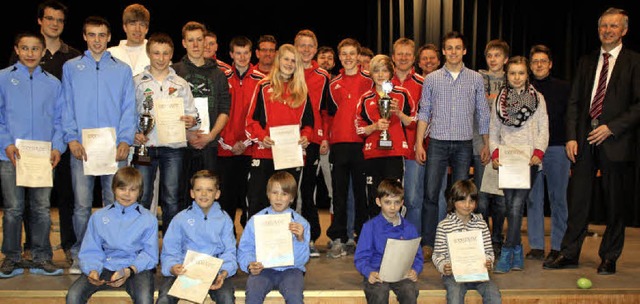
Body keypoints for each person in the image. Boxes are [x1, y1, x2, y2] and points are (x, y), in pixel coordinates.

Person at [544, 7, 640, 275]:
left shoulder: (634, 62)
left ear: (624, 30)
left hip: (616, 143)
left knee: (614, 204)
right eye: (603, 26)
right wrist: (572, 137)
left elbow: (637, 105)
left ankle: (609, 256)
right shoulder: (586, 61)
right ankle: (570, 252)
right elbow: (574, 102)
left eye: (613, 26)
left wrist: (612, 128)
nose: (607, 30)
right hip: (585, 142)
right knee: (578, 201)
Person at [7, 0, 82, 266]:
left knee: (57, 199)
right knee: (20, 204)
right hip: (19, 148)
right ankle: (22, 252)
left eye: (59, 20)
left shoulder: (72, 57)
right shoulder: (13, 67)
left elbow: (68, 107)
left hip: (54, 145)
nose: (54, 24)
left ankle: (58, 250)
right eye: (49, 18)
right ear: (40, 20)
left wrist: (61, 143)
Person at [62, 16, 136, 274]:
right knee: (81, 205)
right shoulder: (71, 68)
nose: (97, 40)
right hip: (81, 148)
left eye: (101, 35)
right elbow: (66, 105)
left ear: (109, 37)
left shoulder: (122, 69)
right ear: (84, 36)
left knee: (113, 203)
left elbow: (129, 108)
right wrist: (71, 137)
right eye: (91, 35)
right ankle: (82, 254)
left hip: (114, 149)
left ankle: (112, 253)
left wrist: (126, 139)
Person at [415, 31, 489, 260]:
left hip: (464, 144)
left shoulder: (476, 78)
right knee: (430, 193)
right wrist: (419, 142)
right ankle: (428, 243)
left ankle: (457, 241)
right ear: (443, 51)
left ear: (464, 51)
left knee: (460, 195)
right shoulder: (432, 79)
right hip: (437, 142)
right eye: (450, 48)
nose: (454, 52)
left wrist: (487, 144)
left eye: (458, 47)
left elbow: (483, 113)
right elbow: (424, 111)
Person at [0, 31, 65, 278]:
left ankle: (42, 256)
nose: (30, 54)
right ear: (16, 50)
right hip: (10, 155)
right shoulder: (3, 79)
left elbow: (60, 120)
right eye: (25, 48)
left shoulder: (53, 83)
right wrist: (6, 143)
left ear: (42, 52)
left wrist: (58, 146)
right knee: (14, 208)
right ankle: (12, 257)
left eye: (35, 49)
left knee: (40, 208)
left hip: (42, 157)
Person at [132, 32, 199, 235]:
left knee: (171, 197)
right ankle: (143, 244)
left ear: (171, 55)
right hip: (145, 147)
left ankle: (170, 247)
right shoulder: (137, 83)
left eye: (165, 54)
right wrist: (134, 133)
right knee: (142, 197)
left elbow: (194, 117)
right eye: (156, 53)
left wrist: (191, 121)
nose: (160, 58)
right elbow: (128, 112)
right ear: (148, 53)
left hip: (173, 149)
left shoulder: (180, 84)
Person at [490, 56, 549, 274]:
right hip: (507, 160)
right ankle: (516, 250)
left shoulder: (538, 98)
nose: (517, 77)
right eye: (513, 73)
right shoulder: (499, 100)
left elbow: (544, 128)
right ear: (507, 75)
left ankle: (507, 251)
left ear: (527, 75)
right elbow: (494, 129)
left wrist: (538, 153)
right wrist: (496, 153)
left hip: (529, 160)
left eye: (521, 73)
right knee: (509, 205)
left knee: (516, 205)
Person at [65, 167, 157, 304]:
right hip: (105, 265)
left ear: (140, 192)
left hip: (135, 269)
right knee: (73, 295)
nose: (127, 194)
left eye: (132, 190)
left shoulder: (148, 219)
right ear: (114, 189)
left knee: (144, 299)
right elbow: (91, 249)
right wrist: (92, 270)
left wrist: (128, 271)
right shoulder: (99, 217)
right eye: (122, 188)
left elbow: (150, 254)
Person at [244, 44, 314, 221]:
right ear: (278, 60)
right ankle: (255, 245)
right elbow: (250, 121)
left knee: (287, 201)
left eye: (293, 60)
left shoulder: (302, 91)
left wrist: (306, 137)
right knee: (258, 200)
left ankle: (285, 243)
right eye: (286, 59)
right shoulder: (263, 85)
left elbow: (309, 125)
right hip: (265, 153)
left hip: (291, 155)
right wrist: (262, 137)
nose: (289, 63)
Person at [173, 21, 231, 211]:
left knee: (209, 195)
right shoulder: (175, 71)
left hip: (209, 143)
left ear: (205, 41)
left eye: (199, 40)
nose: (196, 45)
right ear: (184, 43)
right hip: (181, 143)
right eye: (191, 40)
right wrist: (187, 134)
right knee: (181, 194)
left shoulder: (218, 74)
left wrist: (211, 136)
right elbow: (169, 108)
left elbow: (224, 109)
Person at [324, 38, 373, 258]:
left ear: (358, 55)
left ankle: (362, 236)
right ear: (339, 56)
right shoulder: (333, 84)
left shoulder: (370, 81)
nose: (348, 57)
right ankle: (338, 237)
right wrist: (327, 138)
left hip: (363, 144)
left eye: (352, 53)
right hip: (340, 144)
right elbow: (328, 115)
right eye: (343, 53)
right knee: (340, 194)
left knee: (362, 195)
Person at [157, 170, 236, 304]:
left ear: (217, 194)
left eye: (209, 190)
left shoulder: (224, 220)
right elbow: (169, 251)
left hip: (214, 272)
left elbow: (229, 252)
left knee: (227, 298)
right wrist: (172, 267)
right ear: (192, 193)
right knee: (164, 298)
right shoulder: (180, 219)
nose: (204, 194)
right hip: (184, 271)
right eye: (199, 189)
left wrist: (224, 272)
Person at [525, 44, 570, 263]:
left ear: (550, 64)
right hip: (530, 152)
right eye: (535, 62)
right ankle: (536, 246)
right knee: (533, 199)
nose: (539, 65)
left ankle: (558, 245)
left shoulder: (564, 88)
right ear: (529, 65)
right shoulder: (523, 88)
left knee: (558, 199)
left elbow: (571, 117)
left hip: (557, 148)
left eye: (543, 61)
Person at [237, 171, 310, 304]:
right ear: (268, 194)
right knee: (253, 294)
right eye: (275, 193)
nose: (278, 198)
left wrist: (300, 239)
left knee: (295, 297)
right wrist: (250, 264)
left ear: (292, 198)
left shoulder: (301, 224)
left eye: (284, 194)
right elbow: (245, 248)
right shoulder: (256, 220)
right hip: (263, 269)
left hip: (291, 270)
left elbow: (302, 260)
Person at [355, 54, 413, 220]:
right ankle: (376, 237)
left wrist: (399, 113)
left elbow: (412, 122)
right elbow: (359, 129)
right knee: (374, 197)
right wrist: (375, 127)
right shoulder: (365, 98)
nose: (380, 75)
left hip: (394, 153)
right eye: (376, 71)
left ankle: (394, 235)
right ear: (371, 74)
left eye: (384, 71)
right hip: (373, 153)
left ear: (391, 72)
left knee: (394, 196)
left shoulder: (402, 94)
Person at [217, 36, 265, 231]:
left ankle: (249, 239)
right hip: (224, 148)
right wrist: (226, 143)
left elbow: (262, 117)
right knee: (225, 197)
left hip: (251, 149)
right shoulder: (221, 77)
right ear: (231, 55)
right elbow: (215, 113)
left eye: (246, 53)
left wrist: (246, 143)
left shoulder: (262, 80)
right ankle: (227, 237)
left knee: (251, 197)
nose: (242, 57)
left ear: (251, 53)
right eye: (238, 53)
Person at [354, 178, 423, 304]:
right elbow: (361, 257)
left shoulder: (410, 228)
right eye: (387, 202)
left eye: (396, 202)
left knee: (409, 291)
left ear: (402, 202)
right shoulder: (370, 227)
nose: (392, 207)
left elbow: (417, 256)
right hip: (377, 273)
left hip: (402, 274)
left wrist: (415, 270)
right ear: (378, 202)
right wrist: (368, 272)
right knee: (379, 293)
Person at [433, 179, 502, 304]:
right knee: (455, 295)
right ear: (453, 201)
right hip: (454, 275)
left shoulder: (481, 225)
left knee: (493, 293)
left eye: (471, 201)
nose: (467, 205)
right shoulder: (444, 225)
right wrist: (444, 266)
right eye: (462, 200)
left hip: (478, 274)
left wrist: (488, 262)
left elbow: (488, 251)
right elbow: (438, 254)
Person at [294, 29, 331, 258]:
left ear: (315, 49)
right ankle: (287, 238)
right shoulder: (287, 71)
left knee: (308, 190)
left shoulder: (323, 75)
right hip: (289, 140)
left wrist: (324, 136)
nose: (306, 50)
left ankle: (309, 238)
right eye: (302, 45)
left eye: (310, 46)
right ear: (295, 47)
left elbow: (326, 111)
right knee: (289, 190)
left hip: (313, 141)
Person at [390, 38, 425, 253]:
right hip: (388, 150)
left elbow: (426, 117)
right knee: (389, 197)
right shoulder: (383, 82)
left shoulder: (423, 83)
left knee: (412, 198)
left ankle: (413, 243)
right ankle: (390, 241)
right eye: (399, 54)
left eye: (407, 54)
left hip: (413, 149)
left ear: (414, 58)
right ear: (393, 57)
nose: (403, 58)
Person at [475, 39, 509, 257]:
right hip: (481, 144)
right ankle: (483, 239)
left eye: (498, 55)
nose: (493, 59)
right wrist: (483, 144)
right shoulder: (477, 79)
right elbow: (475, 113)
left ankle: (497, 238)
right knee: (482, 197)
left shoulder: (513, 80)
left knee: (502, 199)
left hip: (506, 146)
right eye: (490, 56)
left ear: (505, 59)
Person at [107, 3, 150, 77]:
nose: (137, 29)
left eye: (142, 25)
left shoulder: (157, 54)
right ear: (125, 27)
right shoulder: (111, 54)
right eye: (132, 24)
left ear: (147, 29)